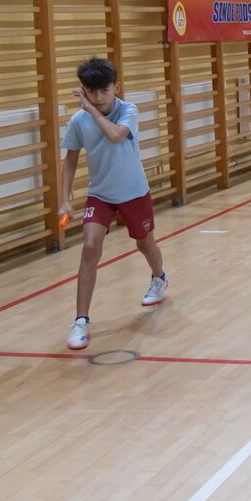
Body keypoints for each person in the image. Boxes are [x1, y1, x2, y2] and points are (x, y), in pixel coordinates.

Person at [59, 58, 167, 350]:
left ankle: (159, 278)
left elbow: (117, 136)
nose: (98, 97)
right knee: (90, 247)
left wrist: (91, 110)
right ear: (84, 90)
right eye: (91, 92)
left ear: (116, 87)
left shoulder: (128, 110)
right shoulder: (78, 121)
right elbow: (70, 160)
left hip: (134, 192)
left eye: (103, 91)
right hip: (101, 194)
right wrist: (64, 200)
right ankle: (81, 320)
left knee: (145, 243)